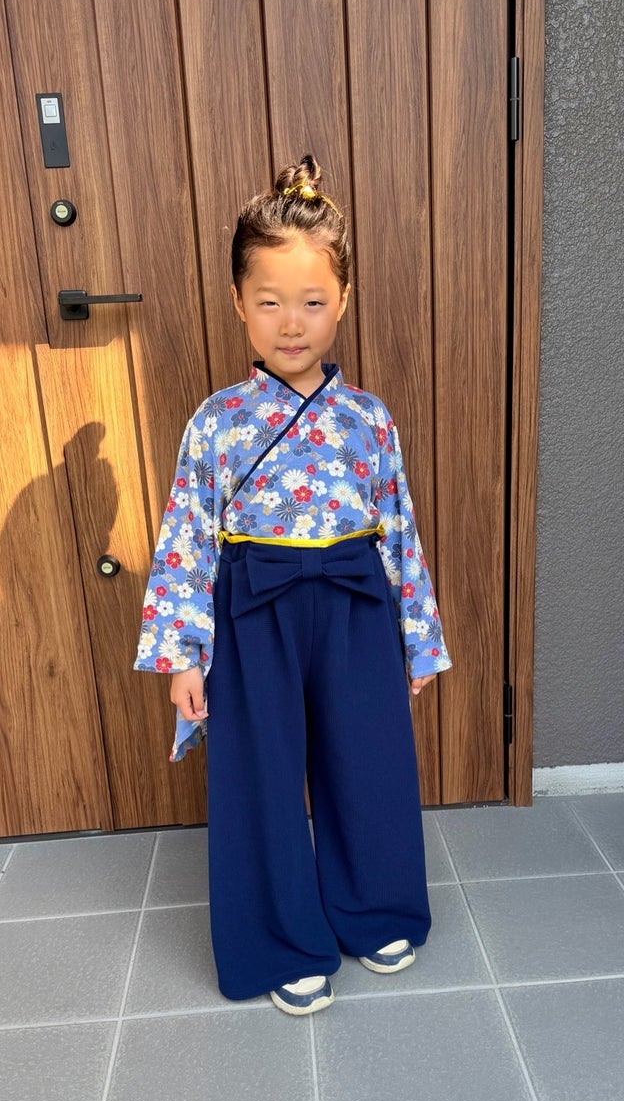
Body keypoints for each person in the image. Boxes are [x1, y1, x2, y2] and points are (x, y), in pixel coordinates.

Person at [134, 155, 452, 1015]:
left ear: (343, 300)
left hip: (354, 604)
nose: (291, 323)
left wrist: (418, 638)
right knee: (261, 776)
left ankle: (373, 909)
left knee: (369, 761)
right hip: (254, 610)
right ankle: (282, 938)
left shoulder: (369, 419)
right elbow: (187, 537)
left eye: (313, 301)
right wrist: (183, 653)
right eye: (269, 301)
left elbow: (399, 529)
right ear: (238, 301)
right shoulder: (217, 422)